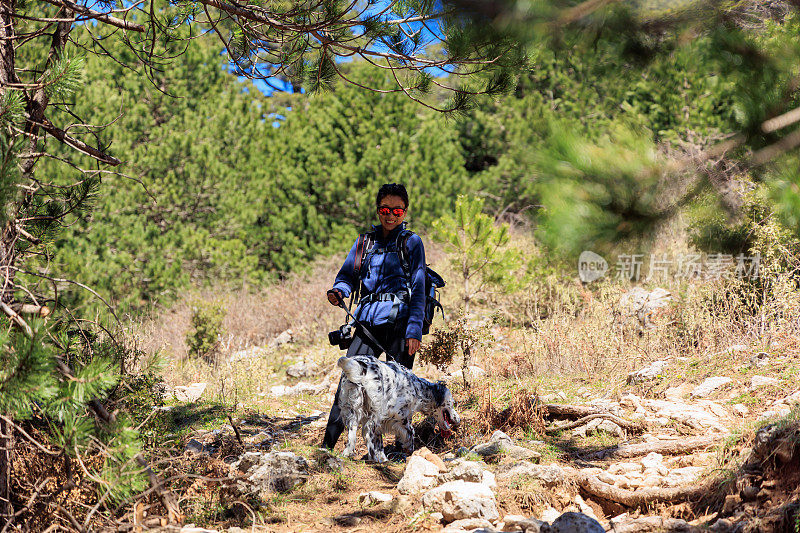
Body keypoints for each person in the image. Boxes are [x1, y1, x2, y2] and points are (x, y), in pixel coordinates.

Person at [321, 183, 427, 450]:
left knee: (400, 390)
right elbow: (347, 276)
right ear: (378, 209)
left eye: (397, 211)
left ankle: (400, 448)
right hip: (367, 323)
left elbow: (419, 288)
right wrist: (339, 291)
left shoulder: (412, 242)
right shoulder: (364, 242)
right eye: (385, 209)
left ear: (405, 212)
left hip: (401, 325)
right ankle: (326, 448)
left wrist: (414, 330)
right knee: (348, 383)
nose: (390, 215)